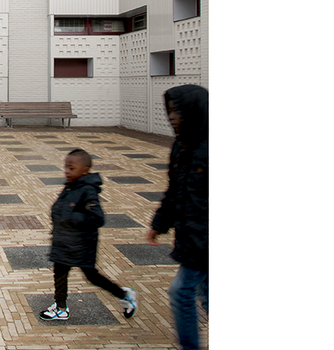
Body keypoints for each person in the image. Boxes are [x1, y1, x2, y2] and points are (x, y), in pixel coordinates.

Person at [39, 148, 138, 321]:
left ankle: (124, 295)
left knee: (92, 276)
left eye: (71, 168)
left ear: (84, 171)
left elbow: (97, 218)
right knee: (60, 272)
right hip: (66, 241)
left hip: (82, 244)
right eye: (66, 167)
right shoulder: (71, 186)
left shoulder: (88, 190)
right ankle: (61, 307)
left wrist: (71, 216)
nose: (67, 171)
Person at [147, 84, 209, 350]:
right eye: (169, 111)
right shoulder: (181, 147)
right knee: (207, 294)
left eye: (177, 111)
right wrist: (159, 224)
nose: (171, 117)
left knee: (180, 292)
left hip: (204, 240)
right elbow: (174, 192)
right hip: (192, 238)